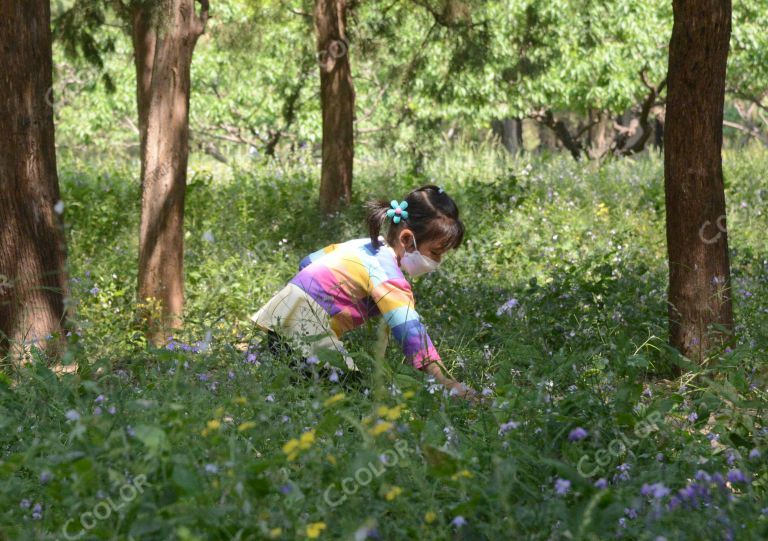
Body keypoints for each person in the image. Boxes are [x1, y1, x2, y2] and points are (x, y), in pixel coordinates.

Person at [251, 184, 477, 400]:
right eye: (435, 252)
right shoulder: (388, 277)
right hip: (304, 329)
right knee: (353, 402)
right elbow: (409, 329)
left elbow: (307, 261)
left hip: (282, 317)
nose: (437, 261)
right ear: (407, 239)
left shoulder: (365, 245)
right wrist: (443, 380)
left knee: (312, 394)